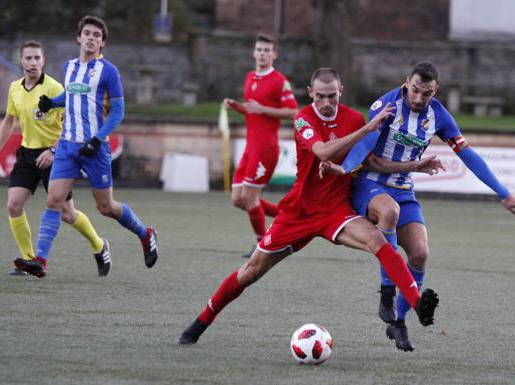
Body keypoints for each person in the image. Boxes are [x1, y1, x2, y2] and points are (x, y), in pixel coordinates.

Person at [179, 68, 440, 346]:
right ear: (310, 93)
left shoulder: (352, 117)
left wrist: (398, 164)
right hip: (299, 212)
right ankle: (201, 321)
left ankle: (416, 304)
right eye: (320, 97)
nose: (327, 103)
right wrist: (366, 129)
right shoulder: (304, 118)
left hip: (336, 211)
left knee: (379, 241)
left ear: (340, 90)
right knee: (250, 272)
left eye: (332, 96)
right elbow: (322, 151)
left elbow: (367, 160)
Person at [339, 61, 515, 352]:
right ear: (407, 82)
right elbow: (368, 158)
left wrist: (502, 193)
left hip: (404, 190)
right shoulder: (385, 105)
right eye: (415, 90)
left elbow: (467, 154)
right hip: (370, 185)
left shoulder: (439, 116)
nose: (418, 98)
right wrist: (342, 170)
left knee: (420, 254)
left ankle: (399, 322)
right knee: (389, 212)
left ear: (435, 90)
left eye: (426, 93)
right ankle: (387, 292)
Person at [13, 15, 158, 278]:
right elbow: (71, 95)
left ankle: (145, 233)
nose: (91, 38)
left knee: (107, 208)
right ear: (78, 37)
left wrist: (97, 138)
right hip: (67, 146)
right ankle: (40, 261)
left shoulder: (109, 71)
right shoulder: (69, 67)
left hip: (94, 149)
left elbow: (118, 111)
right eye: (87, 33)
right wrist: (52, 103)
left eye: (97, 35)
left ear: (102, 43)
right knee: (53, 200)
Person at [0, 40, 110, 277]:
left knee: (67, 214)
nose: (32, 63)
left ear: (44, 61)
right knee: (13, 205)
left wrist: (52, 150)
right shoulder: (15, 88)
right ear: (20, 61)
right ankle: (30, 260)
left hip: (56, 155)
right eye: (28, 58)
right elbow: (9, 121)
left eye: (37, 58)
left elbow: (73, 123)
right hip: (26, 154)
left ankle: (99, 245)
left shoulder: (55, 88)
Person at [223, 33, 299, 257]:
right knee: (238, 199)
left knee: (249, 198)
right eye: (260, 49)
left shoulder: (279, 81)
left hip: (265, 148)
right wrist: (236, 106)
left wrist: (263, 109)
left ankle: (264, 245)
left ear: (274, 54)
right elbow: (252, 108)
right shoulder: (250, 77)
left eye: (267, 50)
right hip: (250, 147)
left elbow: (293, 111)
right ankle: (291, 219)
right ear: (254, 52)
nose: (263, 53)